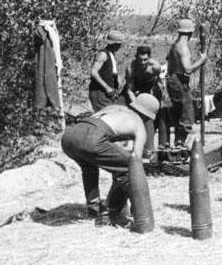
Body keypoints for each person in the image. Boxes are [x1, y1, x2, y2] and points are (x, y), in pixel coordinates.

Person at [61, 93, 160, 226]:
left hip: (69, 136)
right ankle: (112, 214)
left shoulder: (114, 108)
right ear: (148, 117)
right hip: (91, 138)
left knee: (89, 166)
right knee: (128, 169)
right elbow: (135, 163)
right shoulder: (139, 125)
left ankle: (93, 209)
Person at [164, 18, 208, 148]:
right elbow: (187, 69)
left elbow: (169, 59)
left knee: (179, 113)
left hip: (172, 80)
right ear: (190, 33)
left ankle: (179, 141)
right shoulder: (183, 47)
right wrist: (201, 60)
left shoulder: (175, 45)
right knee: (188, 113)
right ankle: (180, 142)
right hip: (178, 81)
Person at [123, 45, 164, 160]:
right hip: (135, 92)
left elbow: (158, 84)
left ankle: (150, 148)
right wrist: (135, 103)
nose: (142, 62)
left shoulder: (155, 67)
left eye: (145, 60)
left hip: (151, 91)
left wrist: (152, 99)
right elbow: (129, 89)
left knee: (152, 119)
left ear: (149, 58)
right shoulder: (131, 67)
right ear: (136, 57)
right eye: (140, 59)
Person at [88, 30, 125, 112]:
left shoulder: (111, 54)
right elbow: (93, 72)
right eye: (119, 45)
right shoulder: (103, 54)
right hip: (99, 92)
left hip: (107, 93)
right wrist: (106, 87)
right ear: (115, 44)